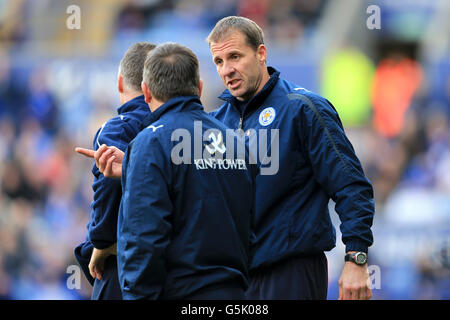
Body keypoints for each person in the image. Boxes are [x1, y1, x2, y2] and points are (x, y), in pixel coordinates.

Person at [206, 16, 375, 300]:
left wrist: (355, 258)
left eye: (235, 56)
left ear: (261, 53)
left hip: (292, 273)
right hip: (235, 279)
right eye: (219, 61)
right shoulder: (216, 124)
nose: (227, 70)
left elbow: (351, 186)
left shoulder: (305, 109)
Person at [88, 42, 256, 299]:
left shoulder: (150, 142)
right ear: (199, 89)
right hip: (235, 293)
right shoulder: (236, 141)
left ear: (146, 92)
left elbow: (144, 238)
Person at [74, 42, 156, 300]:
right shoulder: (180, 129)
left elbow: (110, 179)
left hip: (121, 267)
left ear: (120, 83)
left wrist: (101, 240)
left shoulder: (116, 129)